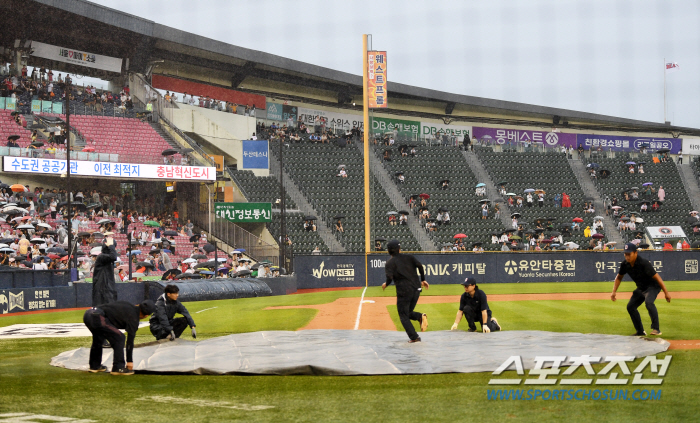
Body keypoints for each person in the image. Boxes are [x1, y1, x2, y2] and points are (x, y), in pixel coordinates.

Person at [611, 243, 671, 336]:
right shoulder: (625, 264)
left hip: (653, 286)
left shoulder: (643, 263)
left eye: (629, 254)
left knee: (649, 302)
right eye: (625, 254)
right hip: (641, 288)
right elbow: (619, 277)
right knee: (630, 307)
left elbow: (658, 277)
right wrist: (614, 292)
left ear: (635, 253)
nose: (627, 256)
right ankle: (640, 331)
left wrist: (666, 293)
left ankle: (656, 329)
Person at [82, 300, 156, 375]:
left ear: (139, 305)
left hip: (88, 314)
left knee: (99, 336)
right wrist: (129, 361)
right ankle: (118, 367)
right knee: (120, 337)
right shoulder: (134, 318)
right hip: (98, 316)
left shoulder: (128, 304)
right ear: (146, 315)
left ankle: (95, 366)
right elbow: (130, 342)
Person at [382, 240, 429, 343]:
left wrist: (386, 284)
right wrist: (423, 279)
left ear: (389, 251)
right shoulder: (409, 257)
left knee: (403, 315)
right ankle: (419, 317)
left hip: (404, 291)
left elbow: (390, 277)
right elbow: (420, 266)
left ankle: (414, 337)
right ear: (399, 249)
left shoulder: (389, 263)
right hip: (417, 289)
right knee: (407, 312)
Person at [92, 237, 119, 307]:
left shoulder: (105, 258)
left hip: (106, 287)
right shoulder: (101, 257)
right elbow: (113, 256)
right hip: (102, 289)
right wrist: (111, 246)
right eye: (114, 247)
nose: (115, 249)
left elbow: (113, 256)